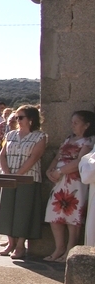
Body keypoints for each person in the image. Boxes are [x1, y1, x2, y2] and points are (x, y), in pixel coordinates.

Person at [0, 105, 47, 259]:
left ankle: (20, 245)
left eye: (21, 117)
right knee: (7, 209)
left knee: (23, 211)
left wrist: (19, 174)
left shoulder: (39, 137)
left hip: (28, 178)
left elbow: (34, 157)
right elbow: (3, 155)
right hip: (9, 177)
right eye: (16, 117)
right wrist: (8, 173)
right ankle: (10, 242)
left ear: (31, 119)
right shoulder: (10, 135)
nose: (18, 120)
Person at [43, 111, 95, 262]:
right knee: (54, 215)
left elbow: (80, 161)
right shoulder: (68, 139)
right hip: (60, 181)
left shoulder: (88, 141)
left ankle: (70, 251)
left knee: (73, 217)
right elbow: (58, 156)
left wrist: (60, 171)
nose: (72, 126)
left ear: (86, 125)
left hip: (74, 182)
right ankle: (59, 247)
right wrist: (49, 170)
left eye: (76, 123)